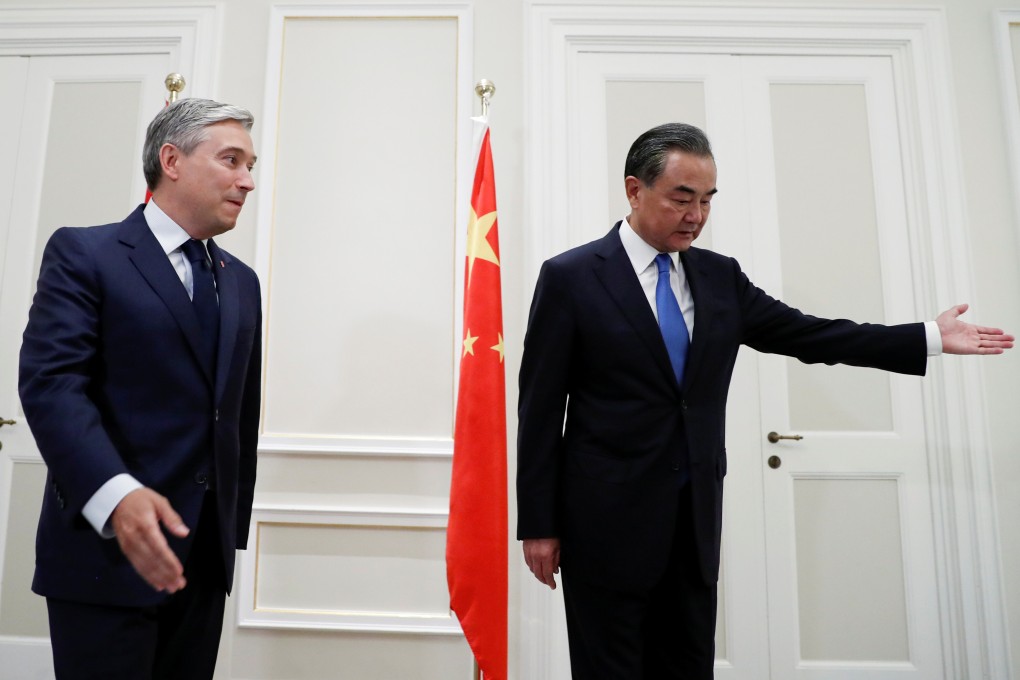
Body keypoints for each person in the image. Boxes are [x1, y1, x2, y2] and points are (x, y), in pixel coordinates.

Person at [516, 122, 1014, 679]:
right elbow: (539, 408)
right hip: (603, 523)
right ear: (634, 190)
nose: (696, 216)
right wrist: (539, 522)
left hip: (694, 523)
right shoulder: (571, 277)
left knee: (685, 668)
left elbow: (812, 336)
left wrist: (925, 336)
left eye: (707, 201)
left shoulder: (719, 277)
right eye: (682, 198)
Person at [18, 97, 262, 680]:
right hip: (102, 553)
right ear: (171, 160)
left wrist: (228, 534)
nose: (248, 181)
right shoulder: (85, 253)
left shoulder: (243, 283)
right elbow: (52, 385)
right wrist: (116, 495)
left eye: (252, 165)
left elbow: (237, 414)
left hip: (202, 564)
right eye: (231, 160)